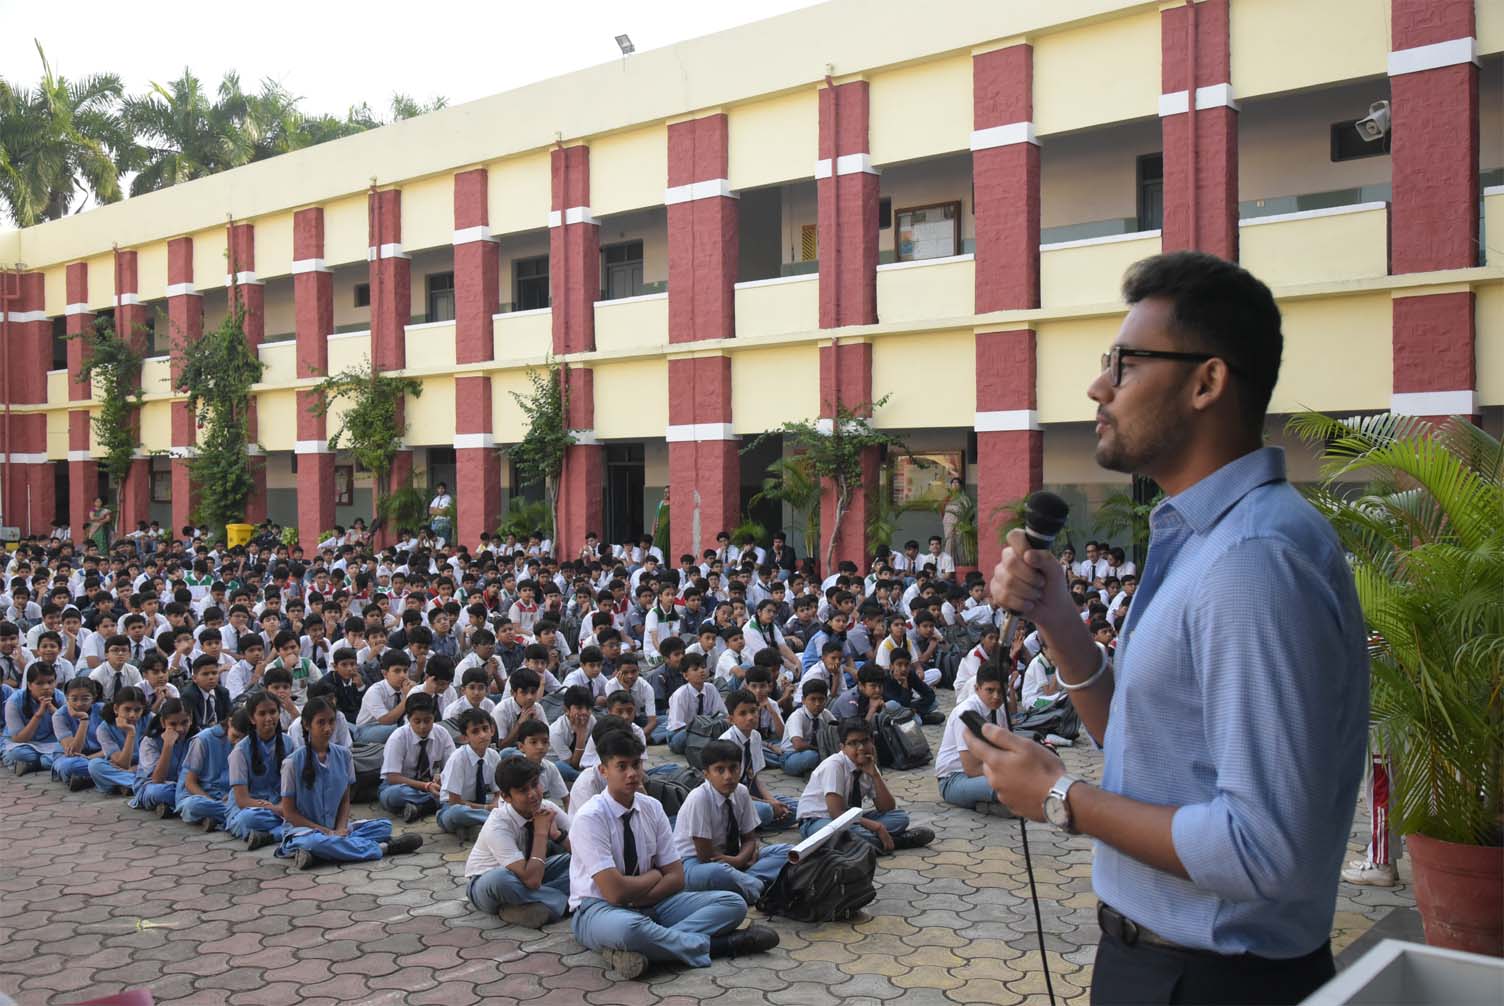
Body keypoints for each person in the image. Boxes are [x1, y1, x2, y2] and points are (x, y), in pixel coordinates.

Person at [965, 251, 1369, 1005]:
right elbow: (1144, 746)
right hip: (1161, 964)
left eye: (1124, 364)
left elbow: (1264, 849)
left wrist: (1061, 796)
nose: (1098, 387)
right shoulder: (1205, 537)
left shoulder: (1252, 559)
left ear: (1206, 382)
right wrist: (1059, 621)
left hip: (1210, 980)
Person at [567, 729, 778, 979]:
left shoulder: (652, 807)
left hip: (654, 900)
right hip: (599, 908)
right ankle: (721, 945)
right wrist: (655, 875)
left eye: (636, 764)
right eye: (621, 766)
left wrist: (646, 894)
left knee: (733, 904)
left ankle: (648, 948)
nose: (632, 773)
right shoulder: (590, 817)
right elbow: (614, 892)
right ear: (603, 770)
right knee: (629, 929)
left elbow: (677, 878)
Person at [278, 697, 424, 869]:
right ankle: (384, 848)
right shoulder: (292, 763)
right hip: (304, 831)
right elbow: (290, 814)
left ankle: (322, 854)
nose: (328, 728)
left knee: (384, 826)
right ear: (306, 725)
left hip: (335, 828)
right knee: (315, 842)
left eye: (331, 721)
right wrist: (326, 831)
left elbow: (345, 800)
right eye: (321, 722)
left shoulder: (344, 755)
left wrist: (340, 829)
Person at [674, 739, 793, 904]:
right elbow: (706, 856)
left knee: (788, 852)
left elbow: (749, 839)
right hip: (695, 864)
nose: (728, 776)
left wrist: (740, 860)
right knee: (717, 873)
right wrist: (740, 861)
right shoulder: (699, 798)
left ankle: (747, 884)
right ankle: (759, 888)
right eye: (720, 770)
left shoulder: (741, 792)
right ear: (706, 774)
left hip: (731, 858)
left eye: (733, 768)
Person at [795, 717, 934, 852]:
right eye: (853, 743)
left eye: (865, 741)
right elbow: (837, 813)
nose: (861, 748)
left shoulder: (868, 764)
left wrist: (875, 775)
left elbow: (887, 807)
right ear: (842, 747)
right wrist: (877, 827)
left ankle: (864, 843)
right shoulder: (834, 765)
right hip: (819, 820)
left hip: (850, 818)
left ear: (872, 741)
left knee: (900, 818)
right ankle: (898, 841)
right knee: (840, 833)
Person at [464, 756, 573, 928]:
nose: (533, 794)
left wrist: (558, 835)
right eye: (523, 790)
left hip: (531, 873)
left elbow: (582, 848)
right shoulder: (498, 824)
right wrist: (541, 832)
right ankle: (567, 902)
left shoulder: (546, 808)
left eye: (535, 784)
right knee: (499, 879)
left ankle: (522, 906)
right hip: (488, 886)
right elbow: (532, 881)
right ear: (506, 797)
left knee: (578, 860)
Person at [934, 663, 1013, 815]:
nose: (996, 696)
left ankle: (990, 804)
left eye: (1001, 690)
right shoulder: (966, 713)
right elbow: (972, 769)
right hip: (954, 779)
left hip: (985, 773)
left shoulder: (999, 709)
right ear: (977, 688)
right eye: (990, 690)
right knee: (1010, 784)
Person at [379, 692, 455, 823]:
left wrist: (442, 777)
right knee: (393, 795)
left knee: (454, 787)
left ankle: (421, 807)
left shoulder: (442, 733)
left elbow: (452, 767)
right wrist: (426, 786)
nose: (422, 726)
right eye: (417, 721)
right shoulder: (398, 738)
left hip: (432, 785)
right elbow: (393, 777)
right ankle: (434, 803)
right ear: (408, 719)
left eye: (427, 720)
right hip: (402, 786)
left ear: (434, 717)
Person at [438, 708, 503, 840]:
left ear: (492, 730)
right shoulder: (458, 758)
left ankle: (472, 827)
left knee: (509, 801)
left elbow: (499, 792)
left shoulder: (494, 756)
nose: (482, 735)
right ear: (464, 737)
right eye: (475, 731)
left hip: (481, 803)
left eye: (485, 729)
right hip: (452, 807)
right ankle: (501, 821)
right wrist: (488, 808)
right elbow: (454, 801)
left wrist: (496, 804)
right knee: (458, 813)